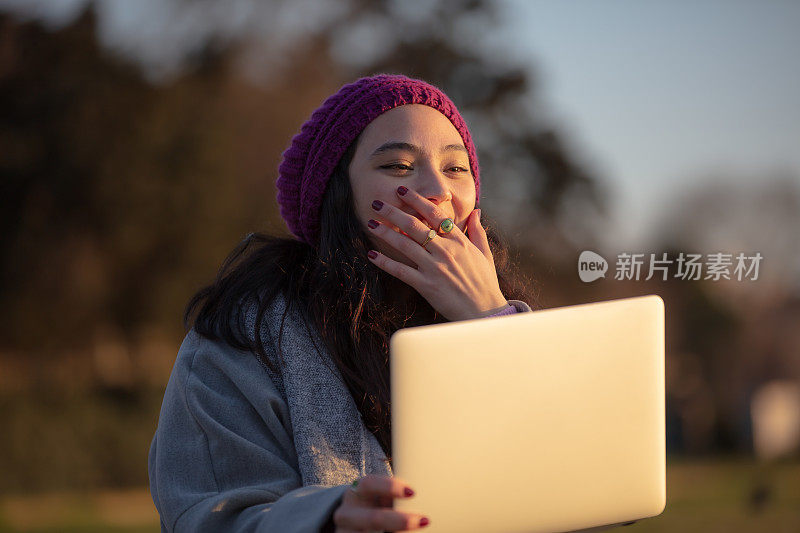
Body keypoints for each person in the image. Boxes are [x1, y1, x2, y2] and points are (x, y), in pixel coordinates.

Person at [148, 73, 538, 532]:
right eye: (397, 166)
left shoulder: (512, 320)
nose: (438, 190)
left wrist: (491, 319)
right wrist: (326, 519)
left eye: (456, 168)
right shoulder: (244, 337)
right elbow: (209, 515)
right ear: (338, 193)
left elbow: (574, 478)